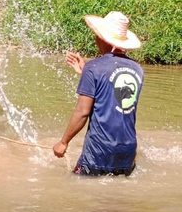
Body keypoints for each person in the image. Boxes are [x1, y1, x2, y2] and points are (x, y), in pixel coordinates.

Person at [53, 11, 144, 176]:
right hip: (128, 151)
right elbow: (118, 95)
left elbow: (82, 112)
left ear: (101, 38)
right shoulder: (137, 69)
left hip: (99, 150)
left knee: (81, 192)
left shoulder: (94, 68)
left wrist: (63, 142)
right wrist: (85, 73)